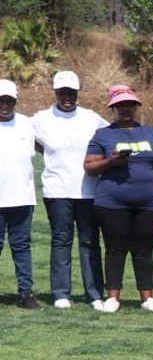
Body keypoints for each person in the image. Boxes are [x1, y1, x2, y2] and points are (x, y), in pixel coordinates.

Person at [83, 85, 153, 313]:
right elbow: (90, 167)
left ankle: (147, 298)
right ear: (113, 108)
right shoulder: (103, 134)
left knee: (144, 250)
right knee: (116, 248)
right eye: (120, 105)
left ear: (135, 107)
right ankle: (113, 298)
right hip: (112, 202)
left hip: (148, 203)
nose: (125, 109)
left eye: (129, 105)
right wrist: (110, 162)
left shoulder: (150, 133)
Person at [33, 71, 109, 309]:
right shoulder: (41, 118)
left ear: (78, 93)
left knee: (90, 241)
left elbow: (109, 136)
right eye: (63, 92)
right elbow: (30, 139)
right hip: (57, 190)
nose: (67, 97)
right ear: (55, 92)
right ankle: (61, 293)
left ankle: (95, 293)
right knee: (61, 240)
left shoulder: (90, 118)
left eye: (72, 93)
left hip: (88, 190)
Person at [0, 79, 40, 309]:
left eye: (9, 101)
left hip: (22, 198)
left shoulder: (27, 123)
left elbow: (47, 147)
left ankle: (26, 293)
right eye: (1, 101)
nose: (5, 105)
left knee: (22, 247)